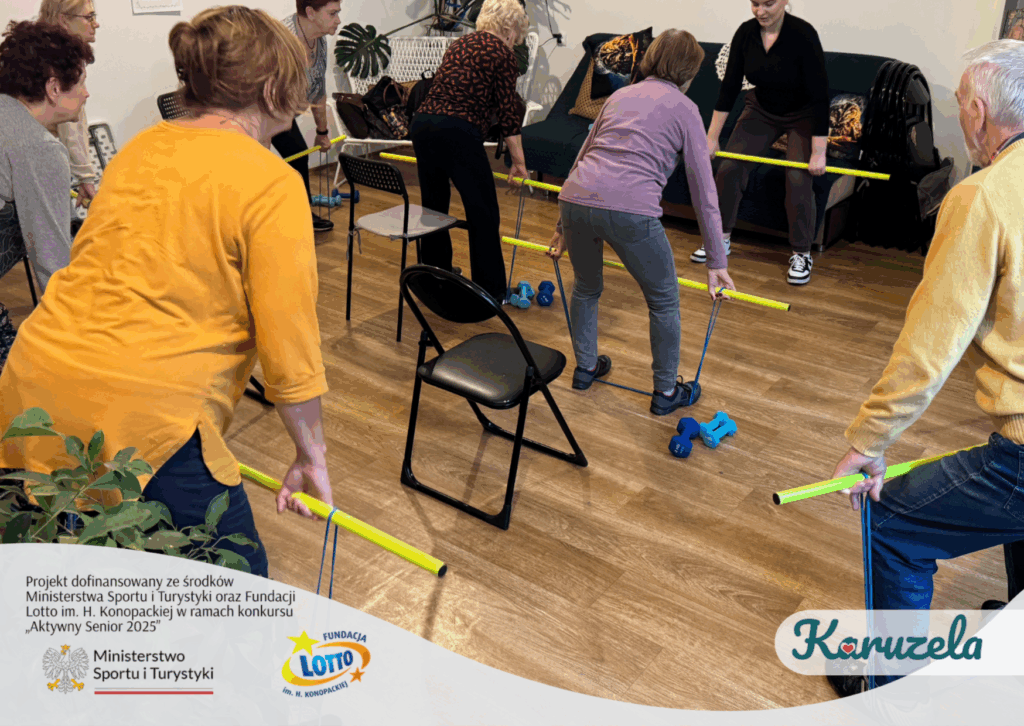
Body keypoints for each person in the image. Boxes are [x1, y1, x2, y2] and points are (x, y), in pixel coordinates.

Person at [0, 6, 333, 577]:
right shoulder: (271, 182)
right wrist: (311, 456)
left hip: (30, 385)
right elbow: (290, 350)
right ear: (272, 88)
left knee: (73, 579)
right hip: (144, 418)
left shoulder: (141, 147)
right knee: (241, 591)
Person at [826, 38, 1024, 697]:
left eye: (959, 102)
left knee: (892, 524)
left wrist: (869, 441)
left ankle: (891, 691)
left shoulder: (982, 196)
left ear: (978, 111)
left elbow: (931, 345)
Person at [546, 29, 737, 416]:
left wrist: (561, 226)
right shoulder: (686, 109)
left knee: (586, 287)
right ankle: (666, 392)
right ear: (689, 72)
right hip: (631, 211)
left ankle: (585, 369)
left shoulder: (619, 96)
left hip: (575, 199)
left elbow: (583, 156)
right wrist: (717, 261)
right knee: (663, 300)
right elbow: (704, 191)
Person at [691, 0, 829, 286]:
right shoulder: (745, 33)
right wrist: (711, 138)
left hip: (803, 114)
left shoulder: (803, 34)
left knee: (797, 176)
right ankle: (720, 240)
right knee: (729, 167)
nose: (760, 11)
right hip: (761, 109)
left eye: (768, 3)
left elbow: (820, 95)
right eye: (755, 3)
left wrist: (819, 152)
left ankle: (802, 253)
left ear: (785, 1)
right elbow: (729, 86)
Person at [410, 0, 529, 301]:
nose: (514, 42)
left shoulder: (459, 45)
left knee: (433, 207)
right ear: (509, 29)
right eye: (516, 36)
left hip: (423, 124)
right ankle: (491, 291)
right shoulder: (502, 53)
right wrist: (519, 162)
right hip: (458, 130)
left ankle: (435, 274)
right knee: (483, 211)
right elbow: (508, 113)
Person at [0, 20, 91, 294]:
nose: (87, 93)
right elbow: (52, 261)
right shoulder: (39, 147)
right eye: (81, 83)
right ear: (54, 88)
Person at [272, 0, 342, 234]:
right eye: (332, 13)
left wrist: (322, 132)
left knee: (298, 155)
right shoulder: (281, 40)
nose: (338, 20)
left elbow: (318, 89)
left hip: (281, 113)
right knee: (261, 165)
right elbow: (263, 95)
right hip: (256, 112)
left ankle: (301, 215)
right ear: (311, 13)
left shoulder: (318, 40)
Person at [38, 0, 102, 211]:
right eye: (89, 17)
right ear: (64, 20)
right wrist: (86, 177)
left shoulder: (40, 50)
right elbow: (70, 123)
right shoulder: (61, 60)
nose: (96, 23)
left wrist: (84, 175)